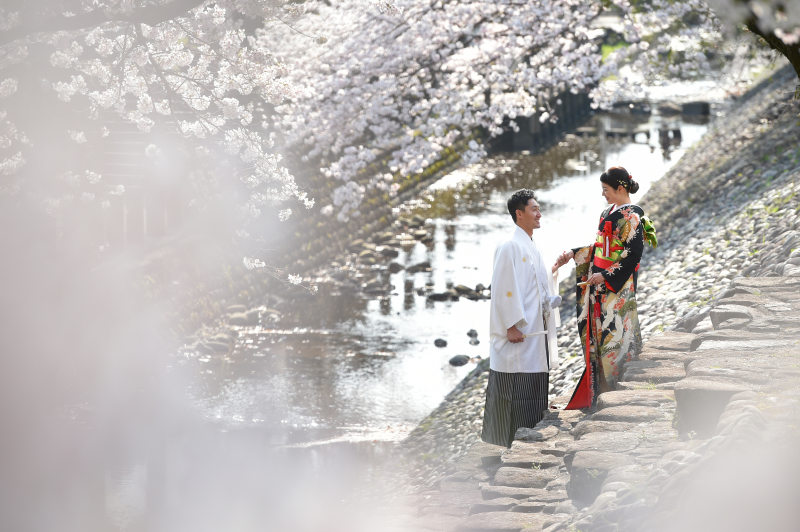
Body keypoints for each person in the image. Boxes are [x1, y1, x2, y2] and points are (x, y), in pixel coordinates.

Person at [553, 167, 657, 409]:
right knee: (601, 336)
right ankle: (600, 389)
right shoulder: (607, 212)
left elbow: (632, 256)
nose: (603, 195)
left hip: (616, 289)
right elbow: (601, 247)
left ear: (620, 189)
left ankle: (616, 391)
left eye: (606, 190)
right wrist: (574, 253)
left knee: (615, 336)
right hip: (601, 285)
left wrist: (607, 275)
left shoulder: (632, 216)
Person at [481, 189, 561, 448]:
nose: (539, 214)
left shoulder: (530, 245)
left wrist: (553, 273)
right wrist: (510, 325)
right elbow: (504, 288)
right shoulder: (510, 246)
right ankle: (505, 445)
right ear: (519, 213)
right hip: (518, 336)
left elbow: (533, 286)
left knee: (530, 390)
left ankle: (526, 440)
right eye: (534, 209)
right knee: (513, 392)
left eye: (538, 208)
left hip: (534, 336)